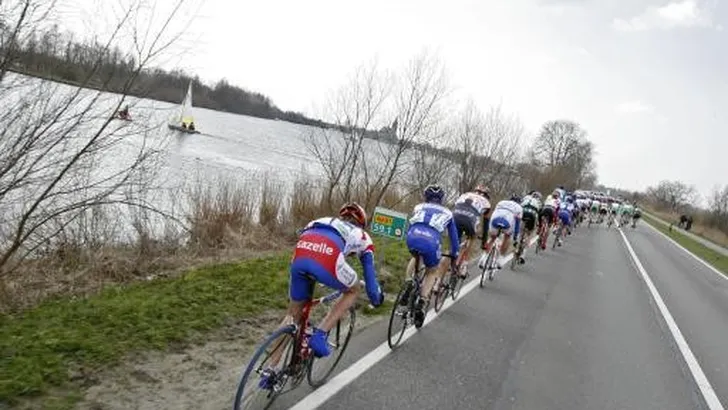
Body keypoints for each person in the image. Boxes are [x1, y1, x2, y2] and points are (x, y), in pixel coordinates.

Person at [286, 203, 384, 357]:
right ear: (361, 224)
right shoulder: (363, 236)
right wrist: (377, 299)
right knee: (354, 289)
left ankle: (269, 371)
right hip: (327, 257)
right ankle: (320, 335)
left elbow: (308, 241)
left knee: (292, 315)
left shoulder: (322, 220)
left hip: (301, 255)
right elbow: (371, 283)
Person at [405, 185, 459, 328]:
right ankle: (422, 301)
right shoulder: (448, 213)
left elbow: (412, 223)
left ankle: (408, 282)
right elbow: (454, 238)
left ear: (425, 197)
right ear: (441, 199)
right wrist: (454, 253)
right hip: (431, 240)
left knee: (415, 256)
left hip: (413, 236)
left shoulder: (418, 206)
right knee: (432, 270)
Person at [452, 185, 491, 278]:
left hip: (455, 217)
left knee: (454, 244)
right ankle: (464, 265)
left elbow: (456, 207)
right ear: (486, 195)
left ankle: (451, 260)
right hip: (469, 221)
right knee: (473, 237)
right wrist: (484, 243)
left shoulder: (464, 195)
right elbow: (486, 225)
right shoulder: (487, 203)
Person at [481, 194, 523, 268]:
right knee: (507, 237)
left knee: (492, 237)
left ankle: (484, 258)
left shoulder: (501, 202)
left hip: (495, 219)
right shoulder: (519, 207)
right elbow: (517, 224)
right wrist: (515, 236)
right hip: (507, 222)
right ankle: (500, 258)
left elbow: (494, 212)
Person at [519, 190, 542, 263]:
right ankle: (523, 254)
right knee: (529, 234)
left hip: (523, 213)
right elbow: (539, 215)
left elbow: (519, 207)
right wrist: (539, 225)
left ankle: (518, 243)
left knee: (521, 230)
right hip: (532, 216)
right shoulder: (539, 202)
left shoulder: (526, 198)